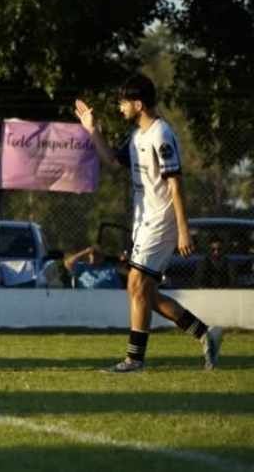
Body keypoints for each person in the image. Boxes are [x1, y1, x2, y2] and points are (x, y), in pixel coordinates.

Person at [74, 74, 223, 371]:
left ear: (138, 104)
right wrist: (91, 131)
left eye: (123, 102)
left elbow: (175, 185)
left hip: (162, 222)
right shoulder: (137, 136)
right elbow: (113, 161)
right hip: (144, 223)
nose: (120, 107)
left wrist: (183, 229)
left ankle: (134, 360)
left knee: (136, 283)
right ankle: (206, 334)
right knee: (145, 293)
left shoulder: (161, 134)